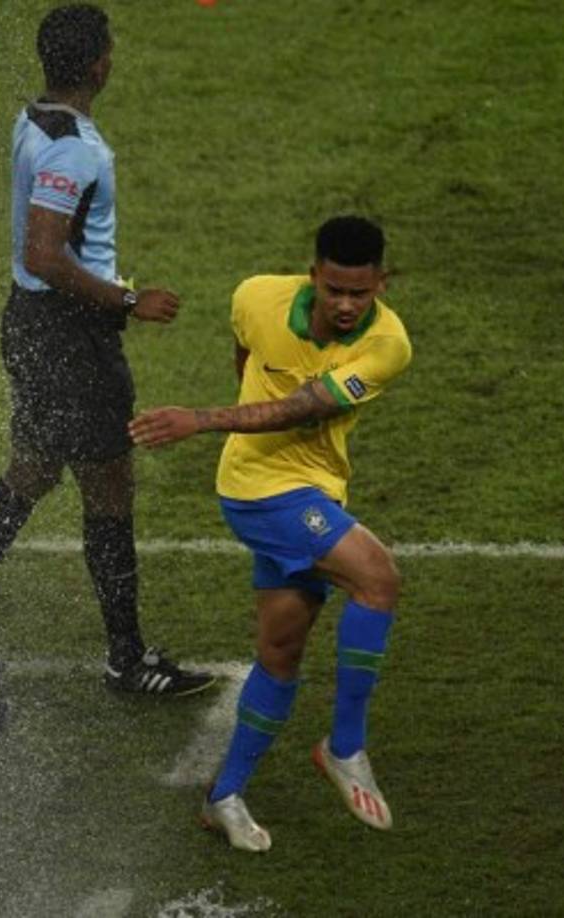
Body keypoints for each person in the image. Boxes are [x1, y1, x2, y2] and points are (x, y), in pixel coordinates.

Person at [0, 3, 214, 733]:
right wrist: (128, 299)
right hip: (69, 339)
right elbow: (43, 253)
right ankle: (126, 658)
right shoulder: (74, 151)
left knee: (31, 471)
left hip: (34, 328)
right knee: (109, 484)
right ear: (97, 64)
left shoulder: (35, 119)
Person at [129, 215, 412, 851]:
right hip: (258, 489)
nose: (345, 304)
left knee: (280, 655)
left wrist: (201, 419)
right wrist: (226, 425)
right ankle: (345, 748)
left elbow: (305, 406)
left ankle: (223, 795)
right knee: (377, 578)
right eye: (334, 288)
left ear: (381, 285)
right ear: (314, 274)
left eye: (359, 293)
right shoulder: (257, 296)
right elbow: (245, 352)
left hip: (317, 489)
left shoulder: (388, 346)